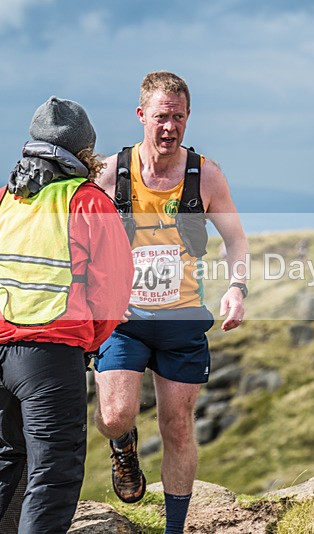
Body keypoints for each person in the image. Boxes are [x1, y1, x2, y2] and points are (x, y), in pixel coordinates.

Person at [93, 72, 249, 533]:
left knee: (177, 426)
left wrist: (237, 287)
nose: (170, 127)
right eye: (161, 117)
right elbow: (76, 240)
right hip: (125, 320)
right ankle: (123, 448)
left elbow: (236, 240)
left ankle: (174, 528)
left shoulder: (206, 175)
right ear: (142, 116)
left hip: (182, 320)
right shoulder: (110, 172)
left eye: (178, 117)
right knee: (114, 415)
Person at [0, 97, 133, 532]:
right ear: (85, 150)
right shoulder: (87, 199)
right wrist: (86, 342)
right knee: (54, 471)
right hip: (49, 355)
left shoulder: (4, 197)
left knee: (8, 459)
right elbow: (113, 290)